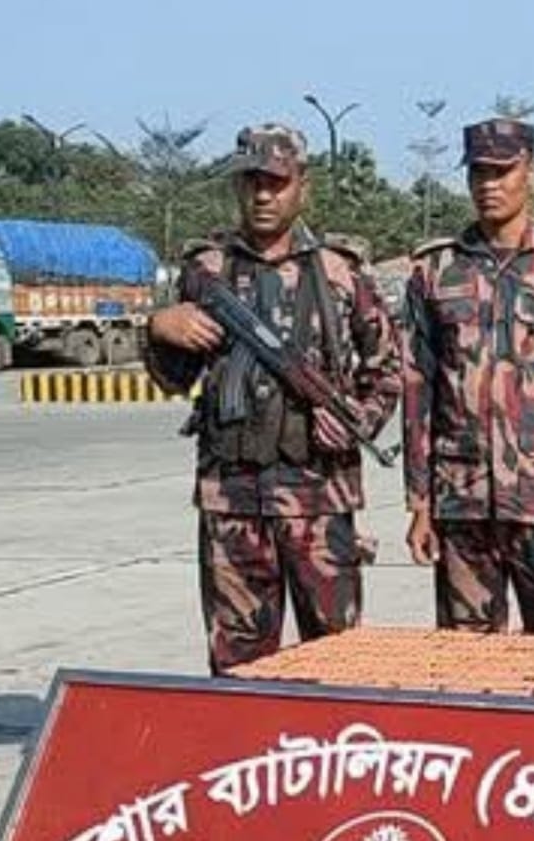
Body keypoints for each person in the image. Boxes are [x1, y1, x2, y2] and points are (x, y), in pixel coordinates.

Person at [145, 123, 401, 674]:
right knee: (238, 665)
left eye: (276, 183)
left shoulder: (340, 273)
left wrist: (358, 418)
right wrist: (160, 328)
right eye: (251, 182)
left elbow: (388, 370)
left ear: (301, 186)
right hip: (231, 500)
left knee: (337, 661)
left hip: (319, 497)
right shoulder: (205, 271)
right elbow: (173, 377)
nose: (263, 195)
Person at [401, 117, 534, 633]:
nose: (489, 185)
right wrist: (419, 504)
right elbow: (419, 395)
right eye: (479, 173)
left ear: (532, 172)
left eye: (503, 171)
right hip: (461, 502)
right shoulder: (435, 271)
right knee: (465, 666)